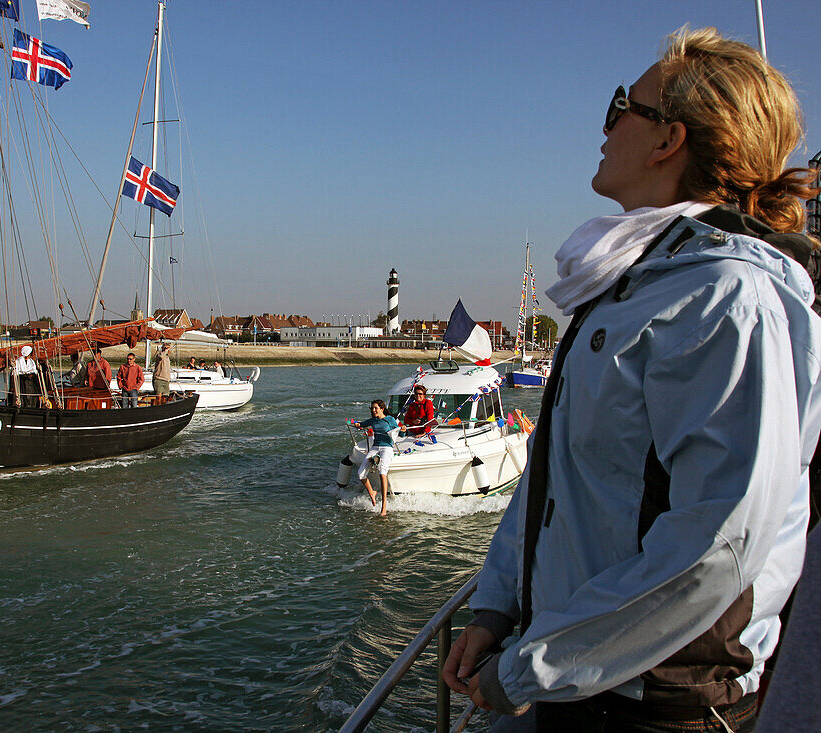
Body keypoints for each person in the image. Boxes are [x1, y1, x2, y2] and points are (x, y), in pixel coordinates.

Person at [441, 27, 821, 732]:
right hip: (584, 681)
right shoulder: (635, 287)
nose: (606, 122)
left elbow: (715, 547)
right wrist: (497, 606)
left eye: (623, 105)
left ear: (667, 139)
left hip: (656, 706)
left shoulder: (726, 301)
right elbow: (557, 477)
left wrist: (528, 666)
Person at [348, 400, 399, 517]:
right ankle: (372, 492)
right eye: (372, 408)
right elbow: (362, 424)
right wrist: (357, 424)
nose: (373, 410)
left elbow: (399, 433)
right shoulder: (373, 420)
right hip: (375, 447)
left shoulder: (390, 419)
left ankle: (384, 507)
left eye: (376, 408)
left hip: (387, 448)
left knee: (382, 472)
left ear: (382, 408)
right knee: (361, 473)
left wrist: (403, 430)